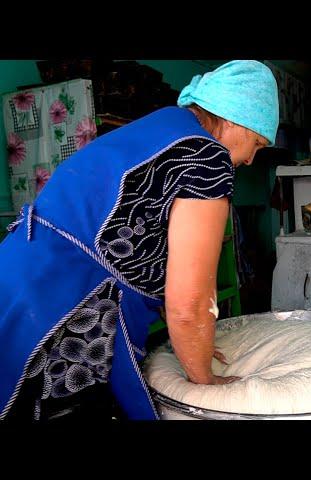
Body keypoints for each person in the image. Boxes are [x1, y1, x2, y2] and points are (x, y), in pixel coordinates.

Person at [0, 60, 278, 420]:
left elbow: (136, 233)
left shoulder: (166, 125)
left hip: (19, 281)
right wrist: (205, 380)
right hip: (61, 311)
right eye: (256, 142)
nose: (252, 159)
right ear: (235, 117)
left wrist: (194, 341)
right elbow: (191, 301)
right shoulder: (207, 157)